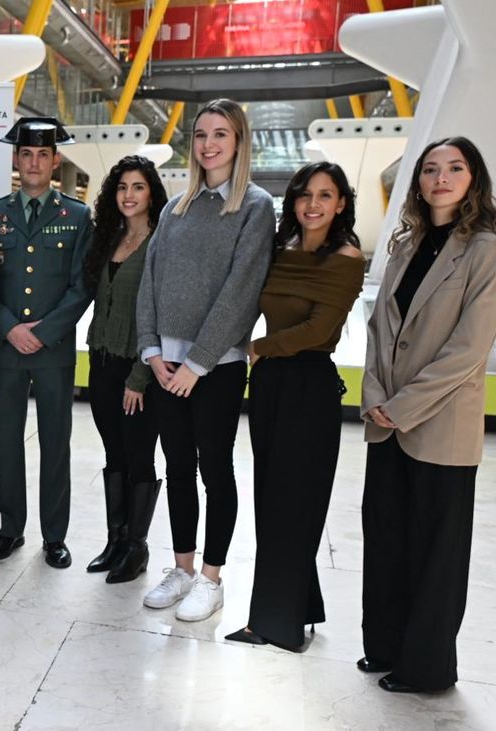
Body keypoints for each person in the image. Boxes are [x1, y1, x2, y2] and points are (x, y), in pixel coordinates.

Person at [357, 136, 496, 693]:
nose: (440, 178)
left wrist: (401, 407)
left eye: (454, 168)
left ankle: (426, 669)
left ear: (473, 179)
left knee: (435, 554)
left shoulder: (485, 250)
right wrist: (374, 392)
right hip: (388, 422)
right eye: (429, 169)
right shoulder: (406, 243)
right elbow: (379, 328)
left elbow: (468, 349)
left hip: (439, 426)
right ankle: (383, 646)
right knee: (386, 539)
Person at [136, 98, 275, 621]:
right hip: (164, 364)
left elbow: (242, 291)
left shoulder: (255, 207)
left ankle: (212, 578)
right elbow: (149, 281)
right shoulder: (176, 207)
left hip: (214, 368)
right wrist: (152, 351)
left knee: (215, 469)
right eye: (200, 134)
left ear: (238, 141)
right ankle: (183, 567)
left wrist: (197, 362)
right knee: (177, 468)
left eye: (220, 134)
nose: (209, 144)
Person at [224, 162, 364, 651]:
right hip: (270, 388)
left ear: (341, 203)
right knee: (274, 502)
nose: (313, 204)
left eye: (325, 195)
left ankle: (272, 625)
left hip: (308, 386)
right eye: (305, 194)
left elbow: (319, 331)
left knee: (293, 505)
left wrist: (260, 348)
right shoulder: (282, 250)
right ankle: (301, 608)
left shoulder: (346, 256)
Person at [0, 117, 93, 569]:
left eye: (42, 155)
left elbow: (81, 286)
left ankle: (54, 535)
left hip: (53, 351)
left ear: (55, 160)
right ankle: (11, 528)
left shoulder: (78, 216)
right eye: (25, 154)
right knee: (6, 441)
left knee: (55, 442)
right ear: (15, 158)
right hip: (7, 348)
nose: (33, 162)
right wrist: (10, 328)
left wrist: (43, 333)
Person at [82, 155, 166, 584]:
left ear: (152, 192)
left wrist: (139, 377)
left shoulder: (160, 242)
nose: (129, 195)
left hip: (139, 373)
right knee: (113, 453)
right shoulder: (109, 238)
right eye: (121, 187)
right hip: (101, 364)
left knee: (138, 456)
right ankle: (115, 541)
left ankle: (137, 547)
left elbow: (159, 314)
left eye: (137, 186)